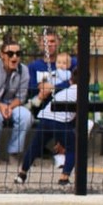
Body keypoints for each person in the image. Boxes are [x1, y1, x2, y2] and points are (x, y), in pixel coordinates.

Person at [16, 51, 79, 186]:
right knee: (73, 147)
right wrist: (64, 138)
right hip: (61, 121)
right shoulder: (81, 93)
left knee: (35, 146)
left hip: (46, 116)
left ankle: (22, 173)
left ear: (71, 80)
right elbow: (75, 118)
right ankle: (64, 177)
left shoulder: (63, 90)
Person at [0, 38, 33, 161]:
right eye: (10, 54)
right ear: (2, 55)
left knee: (26, 116)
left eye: (18, 54)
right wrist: (0, 106)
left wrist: (9, 107)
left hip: (11, 104)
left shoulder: (23, 70)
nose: (15, 57)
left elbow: (21, 97)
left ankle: (14, 152)